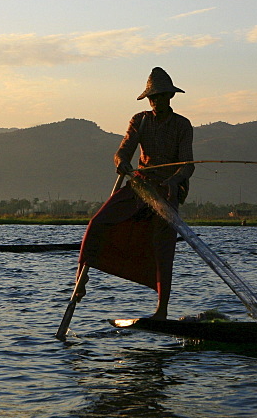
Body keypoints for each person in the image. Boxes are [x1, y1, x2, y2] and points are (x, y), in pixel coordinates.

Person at [74, 67, 194, 319]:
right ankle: (80, 282)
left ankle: (161, 310)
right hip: (140, 185)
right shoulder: (139, 119)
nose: (156, 101)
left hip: (167, 192)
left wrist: (174, 182)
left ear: (170, 97)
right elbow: (123, 150)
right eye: (152, 97)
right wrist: (120, 161)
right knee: (98, 222)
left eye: (161, 96)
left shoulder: (182, 125)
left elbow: (187, 165)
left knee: (163, 248)